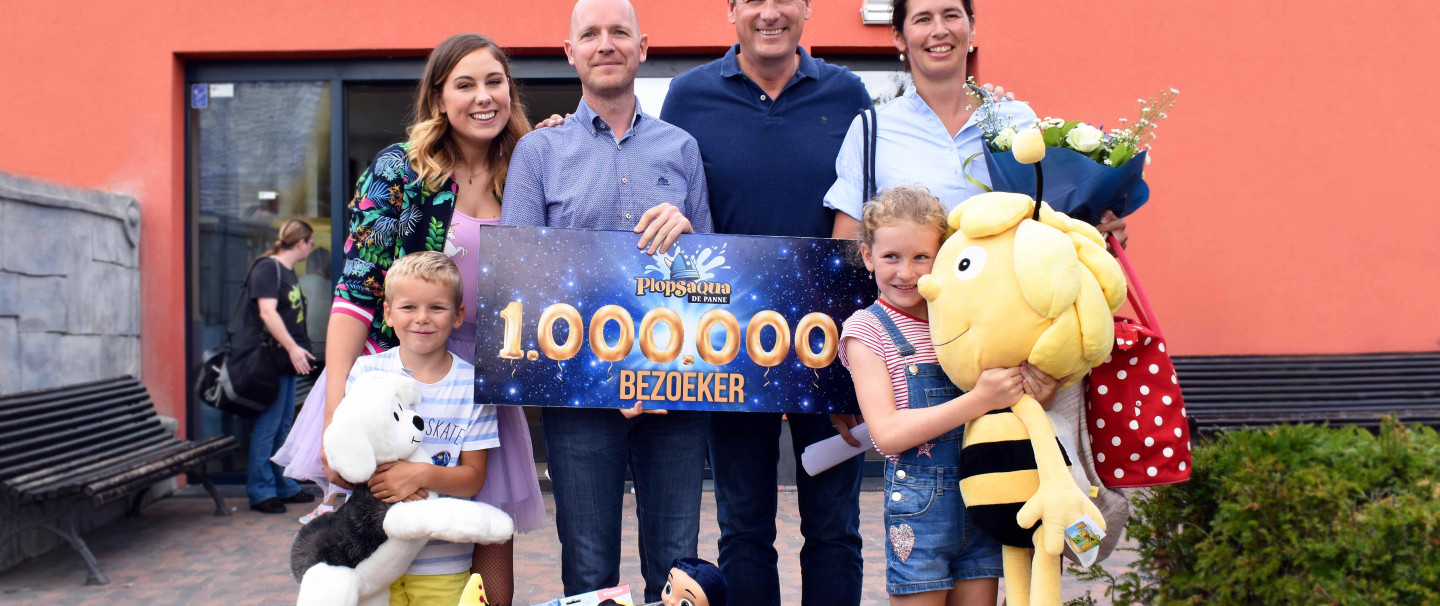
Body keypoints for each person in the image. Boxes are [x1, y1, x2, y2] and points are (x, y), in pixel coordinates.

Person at [271, 33, 543, 605]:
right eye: (464, 84)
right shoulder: (399, 170)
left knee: (485, 530)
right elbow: (355, 292)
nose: (483, 97)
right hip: (395, 379)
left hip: (483, 382)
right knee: (379, 529)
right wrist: (337, 408)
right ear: (439, 96)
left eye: (495, 82)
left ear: (511, 91)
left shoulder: (528, 169)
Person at [657, 1, 871, 603]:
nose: (769, 12)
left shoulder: (849, 92)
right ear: (732, 11)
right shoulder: (688, 95)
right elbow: (660, 184)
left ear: (807, 9)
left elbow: (867, 207)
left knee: (834, 529)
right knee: (743, 528)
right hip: (727, 345)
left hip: (829, 345)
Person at [499, 0, 713, 601]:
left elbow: (711, 282)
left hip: (675, 391)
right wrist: (606, 375)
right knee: (589, 572)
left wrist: (690, 233)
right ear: (571, 52)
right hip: (579, 393)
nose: (605, 44)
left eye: (619, 32)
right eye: (589, 34)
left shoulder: (682, 148)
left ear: (643, 46)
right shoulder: (539, 153)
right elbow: (521, 276)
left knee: (675, 570)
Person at [838, 187, 1063, 604]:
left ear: (941, 255)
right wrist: (979, 399)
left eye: (921, 257)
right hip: (920, 512)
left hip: (984, 498)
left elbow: (1009, 405)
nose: (907, 272)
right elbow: (886, 433)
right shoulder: (865, 332)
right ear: (868, 257)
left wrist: (1038, 392)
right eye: (891, 257)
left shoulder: (967, 321)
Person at [825, 0, 1129, 250]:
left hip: (1005, 315)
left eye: (951, 15)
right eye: (923, 19)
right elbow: (845, 246)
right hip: (909, 318)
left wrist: (1096, 234)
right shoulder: (870, 130)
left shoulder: (1017, 119)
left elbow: (1049, 222)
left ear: (971, 27)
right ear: (899, 37)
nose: (939, 30)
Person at [348, 251, 501, 604]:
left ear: (458, 315)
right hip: (371, 553)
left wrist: (418, 474)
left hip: (442, 561)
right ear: (387, 313)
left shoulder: (473, 386)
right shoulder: (365, 374)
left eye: (436, 307)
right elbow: (349, 456)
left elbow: (473, 478)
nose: (422, 319)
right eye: (408, 308)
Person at [245, 218, 318, 514]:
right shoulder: (267, 267)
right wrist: (291, 347)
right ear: (301, 243)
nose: (311, 248)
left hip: (287, 363)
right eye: (310, 243)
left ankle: (282, 485)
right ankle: (261, 491)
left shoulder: (286, 271)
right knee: (268, 427)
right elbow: (266, 311)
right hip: (272, 361)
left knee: (284, 427)